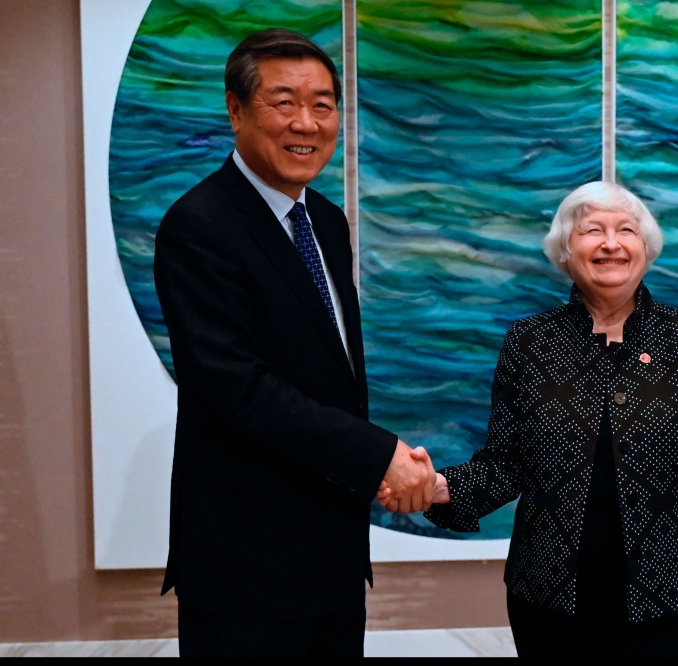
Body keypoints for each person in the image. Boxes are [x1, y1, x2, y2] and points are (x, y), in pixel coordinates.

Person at [380, 181, 678, 657]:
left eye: (626, 230)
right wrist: (437, 487)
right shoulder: (529, 342)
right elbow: (506, 463)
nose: (610, 243)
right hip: (552, 601)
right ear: (566, 248)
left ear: (646, 247)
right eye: (592, 231)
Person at [153, 29, 436, 658]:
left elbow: (328, 376)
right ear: (235, 109)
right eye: (282, 102)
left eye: (323, 104)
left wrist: (375, 466)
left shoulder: (325, 222)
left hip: (330, 551)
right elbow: (239, 388)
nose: (305, 123)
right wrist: (379, 454)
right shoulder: (198, 227)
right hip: (245, 563)